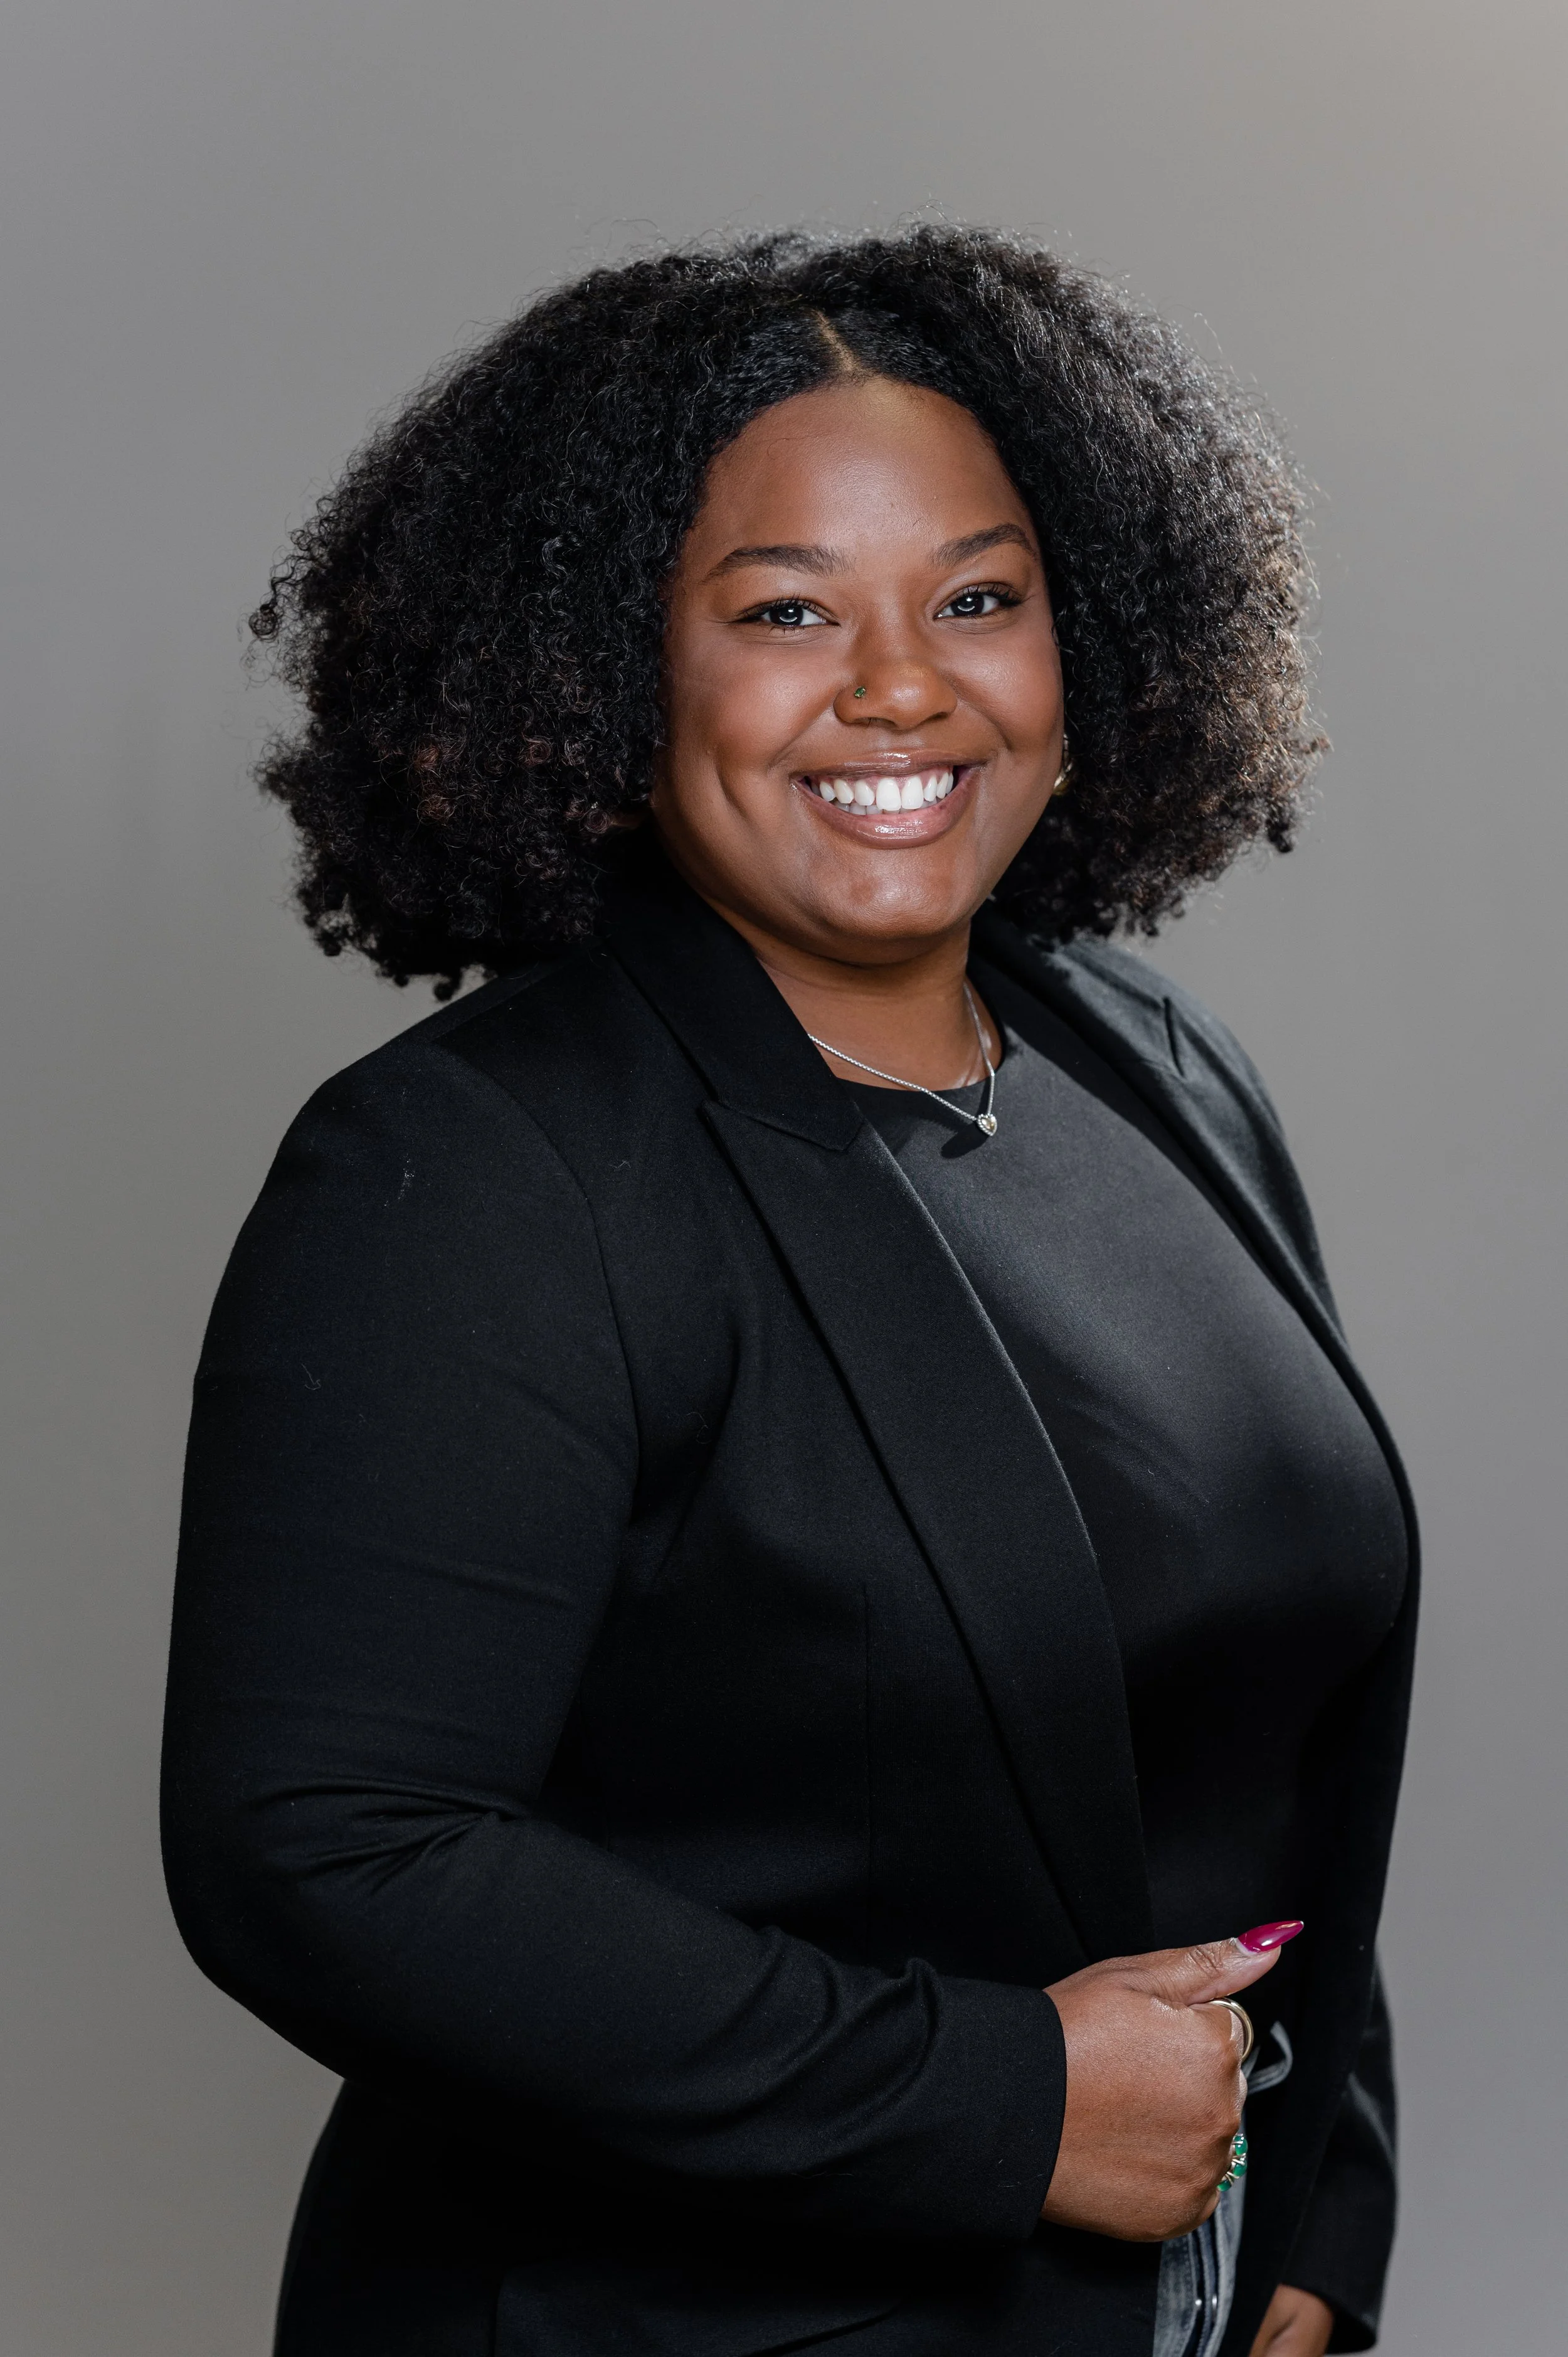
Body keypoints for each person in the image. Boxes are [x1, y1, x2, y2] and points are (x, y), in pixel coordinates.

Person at [161, 230, 1416, 2357]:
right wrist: (1002, 2102)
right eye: (784, 611)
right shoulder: (479, 1169)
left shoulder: (1155, 1066)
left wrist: (1313, 2207)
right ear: (603, 670)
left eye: (978, 598)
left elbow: (1268, 1713)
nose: (901, 686)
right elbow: (328, 1849)